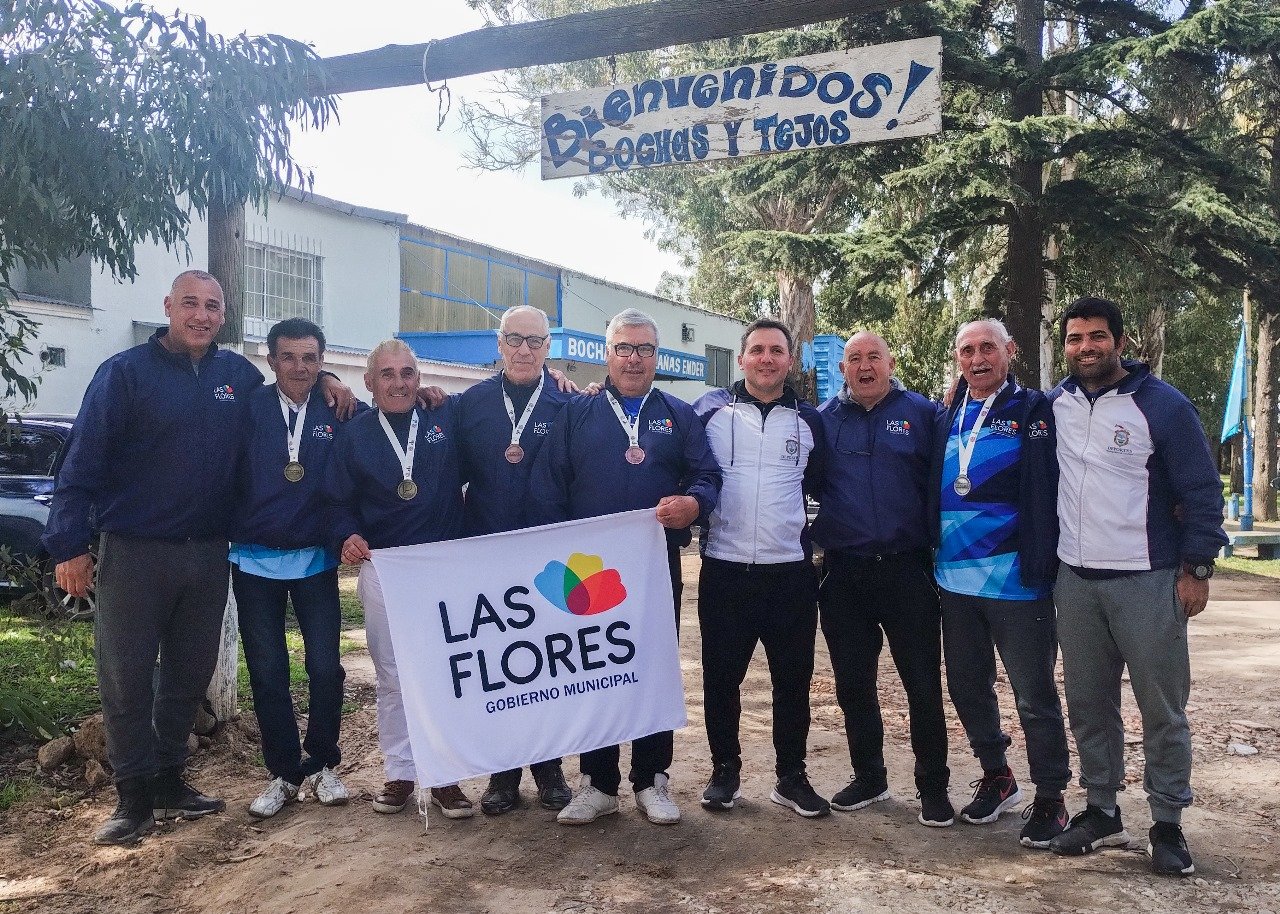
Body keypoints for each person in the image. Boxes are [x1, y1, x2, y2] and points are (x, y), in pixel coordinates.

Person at [43, 270, 352, 845]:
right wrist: (69, 546)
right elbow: (81, 461)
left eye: (212, 306)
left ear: (223, 315)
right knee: (127, 677)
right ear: (168, 306)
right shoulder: (124, 373)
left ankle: (168, 780)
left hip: (207, 552)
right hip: (134, 550)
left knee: (187, 675)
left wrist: (330, 379)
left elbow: (290, 384)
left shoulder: (236, 376)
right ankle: (133, 798)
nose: (201, 315)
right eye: (190, 303)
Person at [1046, 297, 1226, 876]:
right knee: (1089, 707)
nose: (1086, 348)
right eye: (1075, 338)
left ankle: (1167, 822)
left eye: (1097, 336)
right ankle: (1101, 811)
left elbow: (1202, 489)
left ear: (1120, 343)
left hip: (1148, 579)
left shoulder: (1163, 405)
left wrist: (1197, 569)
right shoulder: (1056, 404)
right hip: (1076, 581)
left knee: (1162, 709)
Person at [529, 308, 721, 826]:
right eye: (624, 348)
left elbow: (707, 476)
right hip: (587, 571)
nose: (634, 359)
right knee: (595, 668)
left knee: (651, 668)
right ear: (607, 354)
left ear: (657, 356)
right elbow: (550, 485)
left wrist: (694, 504)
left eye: (645, 349)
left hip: (654, 566)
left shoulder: (678, 415)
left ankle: (651, 779)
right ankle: (598, 783)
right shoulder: (578, 413)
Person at [928, 318, 1071, 848]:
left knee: (1034, 697)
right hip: (954, 583)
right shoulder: (946, 413)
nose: (977, 358)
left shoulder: (1036, 409)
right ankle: (998, 775)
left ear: (1009, 350)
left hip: (1018, 583)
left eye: (987, 347)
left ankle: (1051, 797)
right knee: (967, 687)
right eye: (967, 350)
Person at [324, 339, 475, 820]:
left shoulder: (444, 418)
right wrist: (346, 534)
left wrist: (559, 381)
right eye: (387, 374)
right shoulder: (353, 434)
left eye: (407, 373)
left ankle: (446, 776)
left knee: (445, 673)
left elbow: (493, 424)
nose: (398, 383)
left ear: (419, 378)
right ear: (369, 382)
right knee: (391, 677)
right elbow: (336, 500)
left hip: (441, 565)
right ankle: (401, 772)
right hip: (384, 567)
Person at [810, 331, 953, 827]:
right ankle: (869, 777)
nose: (864, 366)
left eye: (874, 357)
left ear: (891, 363)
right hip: (844, 572)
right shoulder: (822, 420)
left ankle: (933, 787)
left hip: (907, 569)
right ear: (843, 368)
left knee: (922, 684)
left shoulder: (923, 413)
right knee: (853, 684)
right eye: (854, 358)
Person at [692, 319, 829, 818]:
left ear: (789, 360)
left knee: (792, 682)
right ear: (742, 357)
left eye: (776, 350)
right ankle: (724, 773)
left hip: (789, 574)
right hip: (724, 570)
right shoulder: (708, 410)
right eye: (757, 350)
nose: (766, 359)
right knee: (720, 679)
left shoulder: (809, 421)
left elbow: (821, 485)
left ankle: (791, 777)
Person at [231, 318, 362, 819]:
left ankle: (324, 763)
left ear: (322, 362)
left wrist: (430, 394)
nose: (300, 367)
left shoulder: (339, 409)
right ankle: (284, 773)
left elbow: (391, 419)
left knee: (326, 667)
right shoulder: (247, 409)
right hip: (254, 559)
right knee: (268, 672)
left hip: (315, 560)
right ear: (271, 361)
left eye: (310, 358)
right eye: (288, 357)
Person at [457, 305, 574, 815]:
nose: (524, 350)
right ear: (498, 343)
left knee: (547, 665)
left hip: (549, 560)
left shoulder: (570, 403)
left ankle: (549, 769)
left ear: (549, 347)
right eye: (514, 339)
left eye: (535, 341)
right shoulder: (471, 404)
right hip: (490, 557)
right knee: (501, 669)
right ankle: (503, 774)